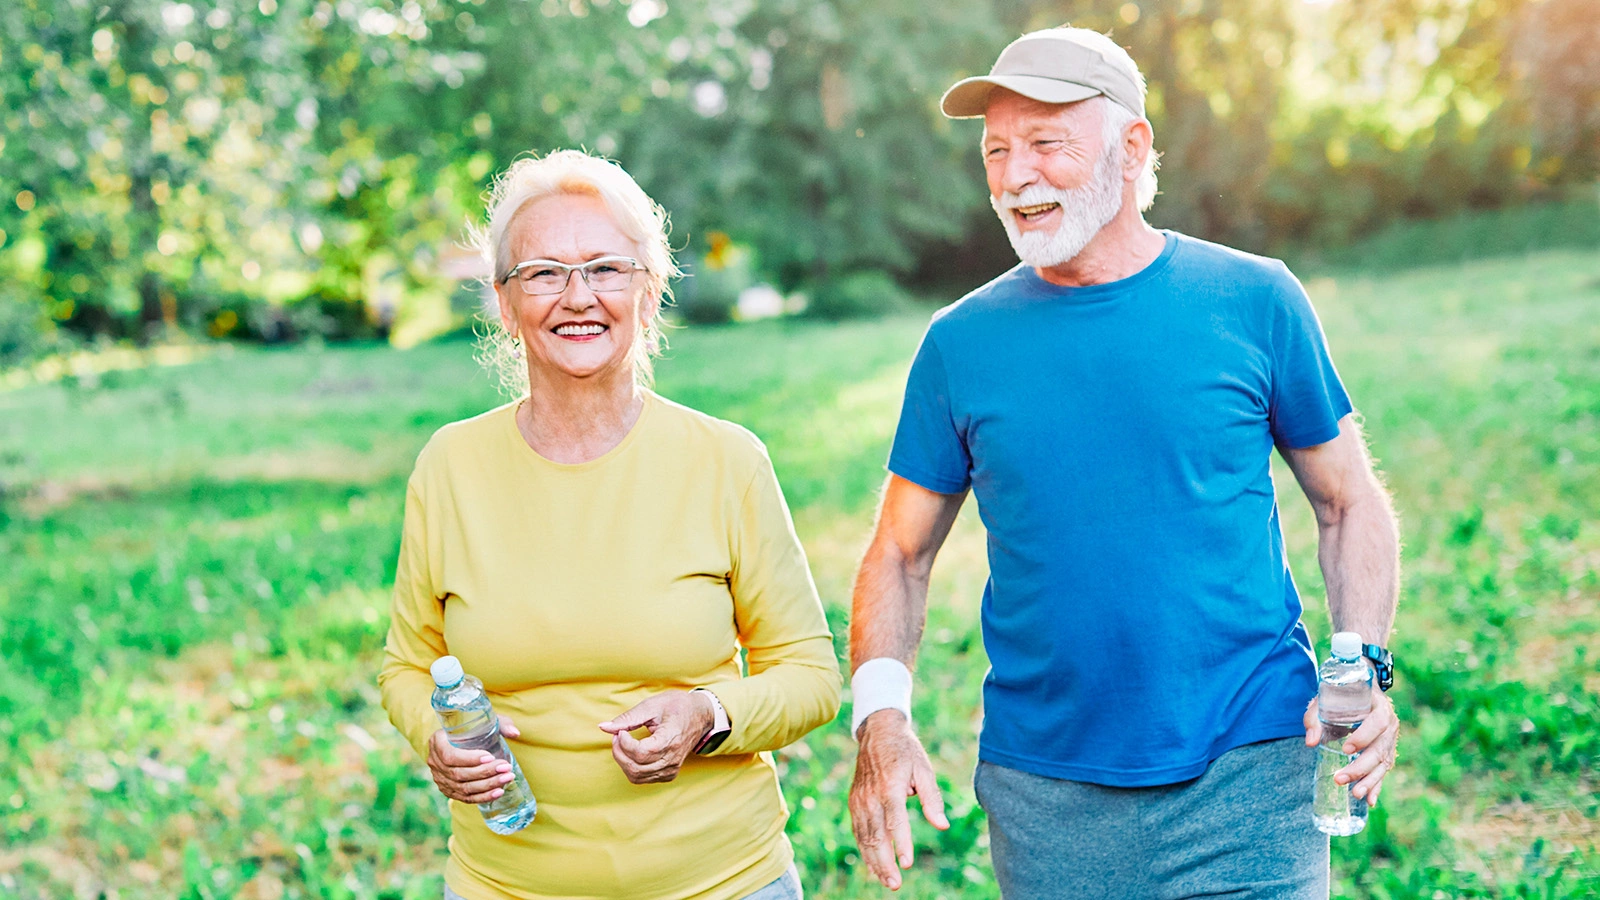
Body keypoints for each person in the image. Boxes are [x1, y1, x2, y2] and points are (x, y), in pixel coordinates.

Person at [845, 27, 1401, 898]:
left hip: (1252, 767)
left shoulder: (1254, 299)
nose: (1013, 175)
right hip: (1047, 792)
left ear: (1132, 146)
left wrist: (1362, 662)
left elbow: (1348, 502)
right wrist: (881, 716)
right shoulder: (960, 343)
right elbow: (899, 553)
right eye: (996, 150)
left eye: (1044, 143)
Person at [378, 150, 840, 900]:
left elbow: (811, 677)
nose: (577, 295)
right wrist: (434, 737)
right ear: (504, 302)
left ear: (649, 292)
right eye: (544, 273)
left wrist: (710, 713)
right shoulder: (450, 466)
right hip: (508, 884)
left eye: (605, 268)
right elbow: (406, 665)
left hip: (720, 882)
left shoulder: (726, 461)